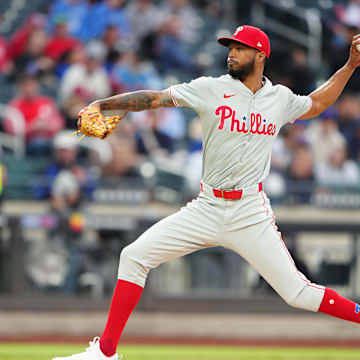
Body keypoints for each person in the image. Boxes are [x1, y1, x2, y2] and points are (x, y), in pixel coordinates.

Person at [52, 25, 360, 360]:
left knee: (297, 292)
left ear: (260, 56)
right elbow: (155, 98)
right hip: (207, 206)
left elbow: (317, 102)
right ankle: (105, 353)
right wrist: (107, 104)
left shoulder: (280, 98)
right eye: (230, 47)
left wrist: (350, 66)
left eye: (239, 48)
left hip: (249, 212)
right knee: (133, 256)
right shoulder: (210, 89)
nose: (231, 52)